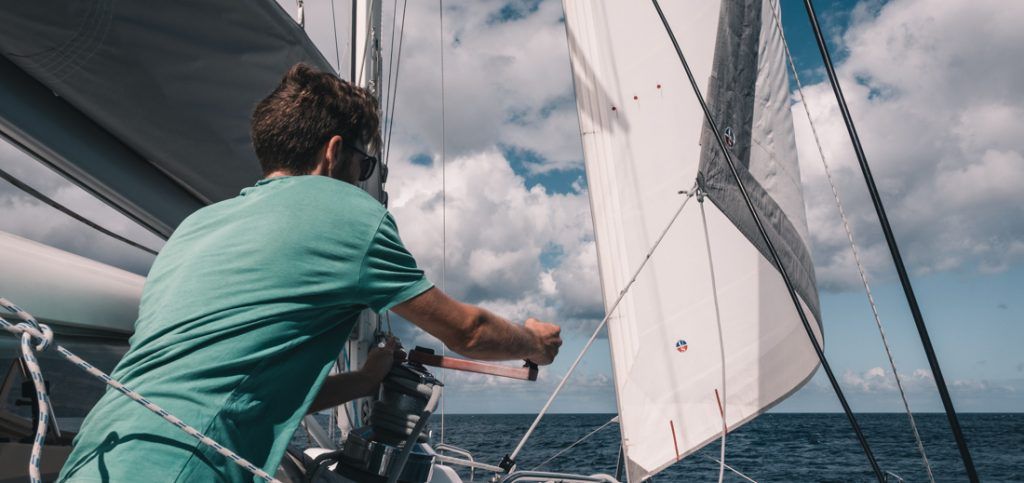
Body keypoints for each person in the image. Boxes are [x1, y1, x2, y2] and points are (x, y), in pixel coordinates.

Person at [59, 63, 562, 482]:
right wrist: (534, 344)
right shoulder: (343, 211)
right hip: (187, 469)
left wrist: (366, 381)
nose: (362, 181)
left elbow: (254, 394)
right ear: (334, 152)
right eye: (365, 167)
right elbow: (468, 332)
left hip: (95, 456)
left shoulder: (195, 226)